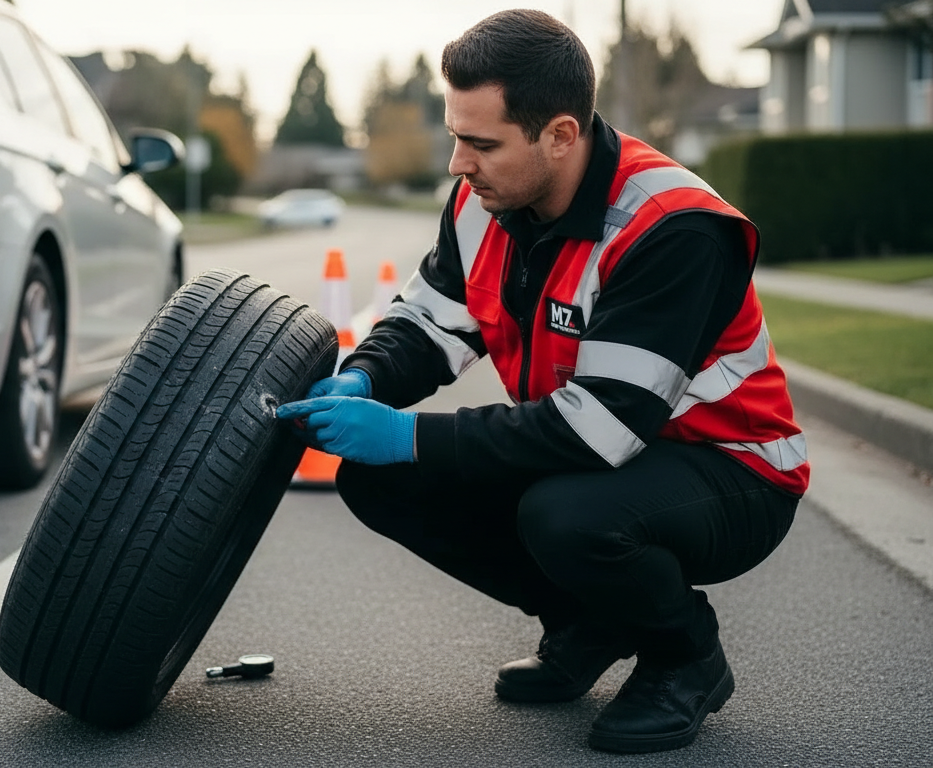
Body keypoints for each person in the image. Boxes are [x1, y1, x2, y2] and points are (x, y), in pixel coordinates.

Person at [275, 8, 808, 755]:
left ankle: (684, 657)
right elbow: (430, 324)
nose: (459, 163)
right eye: (458, 136)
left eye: (481, 143)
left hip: (734, 470)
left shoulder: (672, 227)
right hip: (607, 449)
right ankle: (591, 622)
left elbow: (603, 427)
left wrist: (407, 433)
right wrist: (365, 380)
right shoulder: (484, 200)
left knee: (566, 513)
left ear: (560, 135)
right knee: (376, 477)